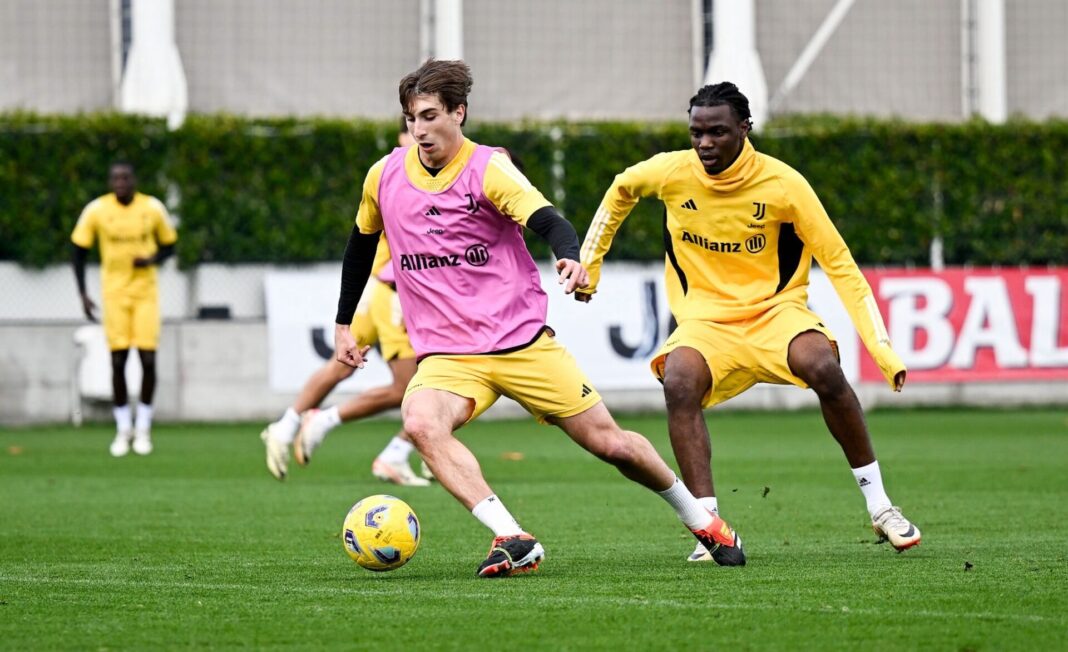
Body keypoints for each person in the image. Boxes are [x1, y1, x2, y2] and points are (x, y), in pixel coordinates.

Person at [333, 59, 746, 577]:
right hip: (448, 355)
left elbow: (548, 219)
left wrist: (569, 254)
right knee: (419, 423)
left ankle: (704, 521)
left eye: (430, 115)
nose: (419, 129)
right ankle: (512, 536)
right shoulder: (386, 175)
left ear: (459, 113)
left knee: (612, 445)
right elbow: (359, 244)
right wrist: (344, 321)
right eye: (412, 117)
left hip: (521, 343)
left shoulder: (488, 169)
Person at [578, 81, 921, 561]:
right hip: (706, 322)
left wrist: (882, 350)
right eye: (696, 133)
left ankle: (881, 506)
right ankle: (709, 526)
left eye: (717, 132)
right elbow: (620, 190)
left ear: (744, 128)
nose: (704, 144)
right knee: (678, 380)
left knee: (823, 367)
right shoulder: (672, 171)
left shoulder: (784, 184)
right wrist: (588, 268)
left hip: (776, 313)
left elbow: (841, 265)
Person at [260, 119, 431, 486]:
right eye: (410, 126)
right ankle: (344, 429)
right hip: (397, 294)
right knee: (414, 386)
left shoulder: (405, 170)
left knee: (343, 365)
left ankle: (286, 424)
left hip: (380, 289)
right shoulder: (404, 171)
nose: (417, 134)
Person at [71, 161, 177, 457]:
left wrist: (152, 259)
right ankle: (122, 428)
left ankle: (143, 427)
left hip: (145, 294)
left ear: (134, 180)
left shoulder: (152, 208)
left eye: (126, 177)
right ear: (110, 182)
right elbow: (78, 251)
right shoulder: (97, 210)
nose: (121, 182)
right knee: (117, 361)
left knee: (148, 359)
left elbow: (170, 245)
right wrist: (82, 293)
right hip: (114, 294)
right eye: (115, 177)